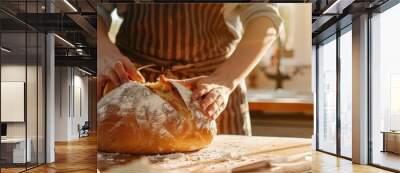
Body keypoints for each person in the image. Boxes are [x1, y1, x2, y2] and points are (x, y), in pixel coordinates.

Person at [97, 3, 283, 135]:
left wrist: (224, 81)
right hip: (137, 87)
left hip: (213, 88)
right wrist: (104, 51)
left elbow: (264, 15)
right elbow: (89, 9)